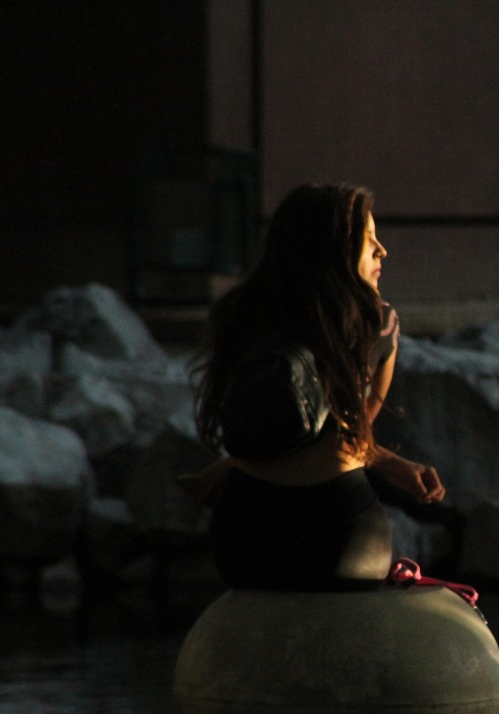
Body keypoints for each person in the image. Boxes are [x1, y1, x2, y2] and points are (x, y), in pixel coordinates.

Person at [190, 182, 445, 591]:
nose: (383, 250)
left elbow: (277, 433)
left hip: (246, 533)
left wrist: (236, 466)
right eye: (369, 240)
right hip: (340, 531)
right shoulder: (376, 324)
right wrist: (395, 465)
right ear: (335, 249)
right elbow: (352, 440)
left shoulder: (238, 314)